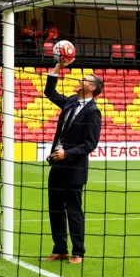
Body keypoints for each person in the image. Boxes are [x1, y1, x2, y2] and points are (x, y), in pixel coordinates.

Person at [41, 58, 103, 264]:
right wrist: (56, 69)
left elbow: (90, 144)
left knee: (74, 210)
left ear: (92, 87)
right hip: (57, 165)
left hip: (74, 168)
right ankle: (60, 249)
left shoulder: (93, 112)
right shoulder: (70, 101)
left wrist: (67, 153)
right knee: (55, 209)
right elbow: (50, 92)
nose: (79, 80)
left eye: (84, 79)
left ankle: (78, 253)